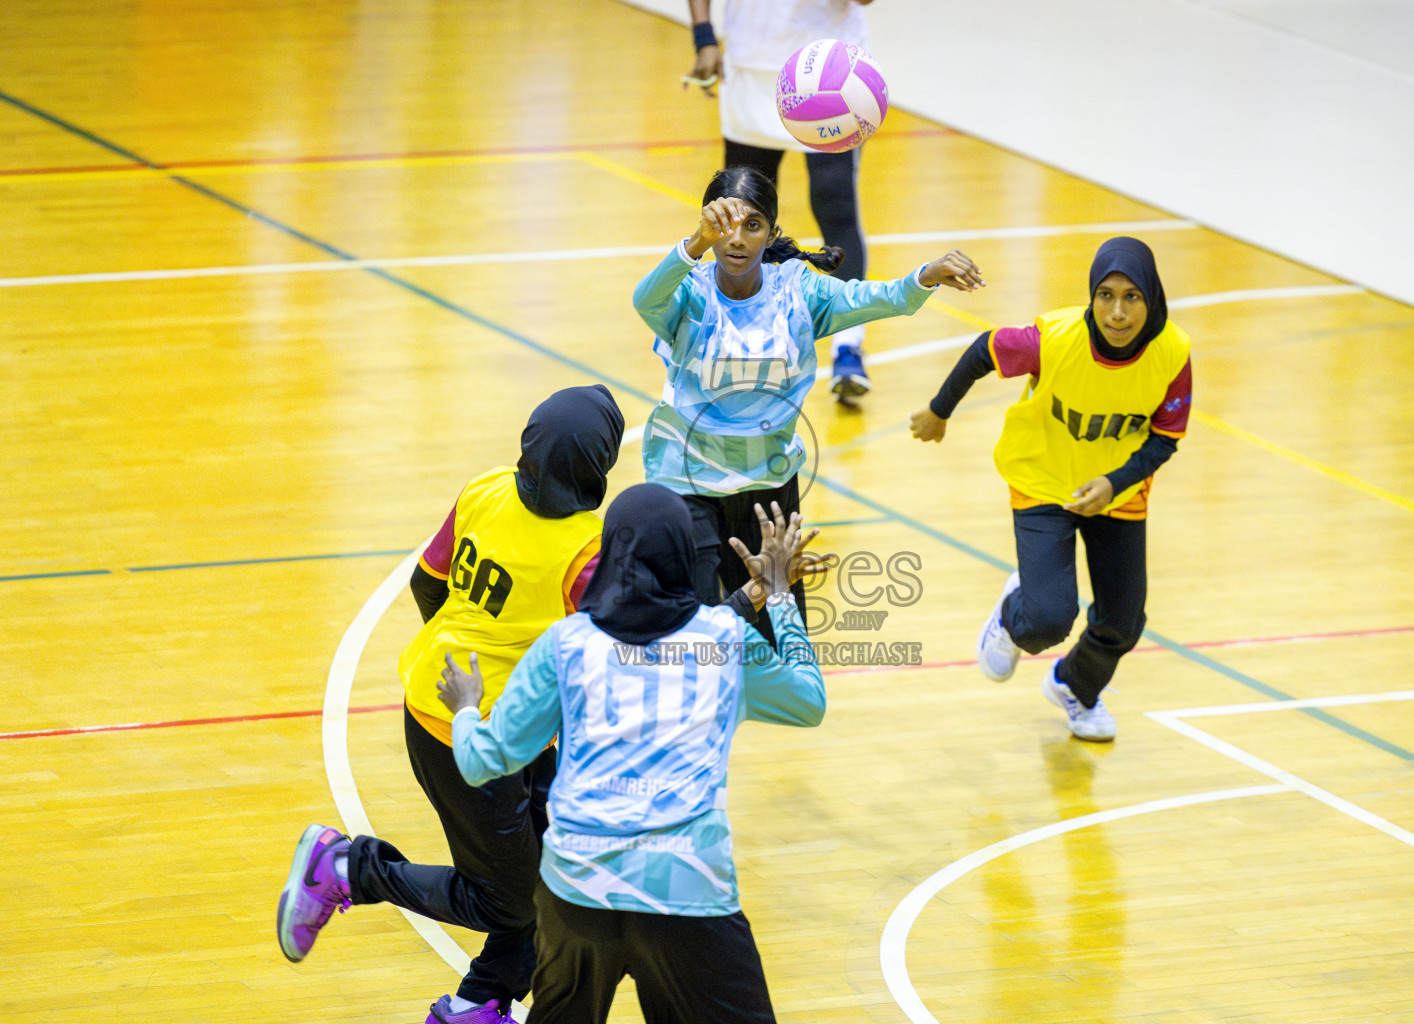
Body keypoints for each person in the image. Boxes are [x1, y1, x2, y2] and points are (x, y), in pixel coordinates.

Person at [277, 386, 625, 1024]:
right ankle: (349, 867)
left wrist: (466, 647)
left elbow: (424, 581)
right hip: (469, 737)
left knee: (553, 876)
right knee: (507, 902)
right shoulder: (587, 549)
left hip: (441, 699)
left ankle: (476, 1004)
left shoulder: (485, 490)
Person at [437, 484, 826, 1024]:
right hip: (687, 890)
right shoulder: (724, 639)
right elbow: (808, 701)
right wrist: (780, 595)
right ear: (686, 556)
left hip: (577, 889)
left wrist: (465, 710)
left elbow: (484, 761)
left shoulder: (565, 643)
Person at [633, 165, 984, 646]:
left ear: (772, 233)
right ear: (707, 226)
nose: (736, 239)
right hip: (685, 479)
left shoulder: (798, 291)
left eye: (752, 225)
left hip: (768, 482)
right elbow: (644, 299)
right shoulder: (689, 291)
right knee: (692, 630)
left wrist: (926, 276)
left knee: (772, 639)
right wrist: (693, 244)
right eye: (724, 226)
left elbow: (879, 298)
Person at [909, 237, 1192, 742]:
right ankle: (1011, 612)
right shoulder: (1054, 338)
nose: (1118, 312)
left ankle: (1075, 688)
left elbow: (1165, 438)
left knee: (1123, 623)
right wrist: (939, 409)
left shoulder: (1172, 352)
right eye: (1106, 295)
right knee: (1045, 621)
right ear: (1091, 296)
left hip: (1117, 493)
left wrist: (1115, 482)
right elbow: (984, 350)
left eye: (1133, 297)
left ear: (1153, 298)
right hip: (1042, 479)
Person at [684, 0, 880, 401]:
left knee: (835, 205)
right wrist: (704, 37)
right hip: (752, 64)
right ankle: (742, 341)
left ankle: (848, 346)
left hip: (828, 70)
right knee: (740, 215)